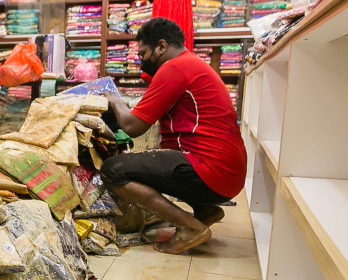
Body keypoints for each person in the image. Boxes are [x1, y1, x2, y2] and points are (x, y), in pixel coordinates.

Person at [101, 17, 247, 254]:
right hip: (228, 172)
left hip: (210, 168)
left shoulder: (174, 68)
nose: (142, 61)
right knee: (154, 159)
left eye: (144, 54)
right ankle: (205, 211)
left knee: (113, 169)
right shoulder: (192, 65)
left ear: (161, 46)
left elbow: (132, 127)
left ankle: (190, 227)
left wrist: (115, 100)